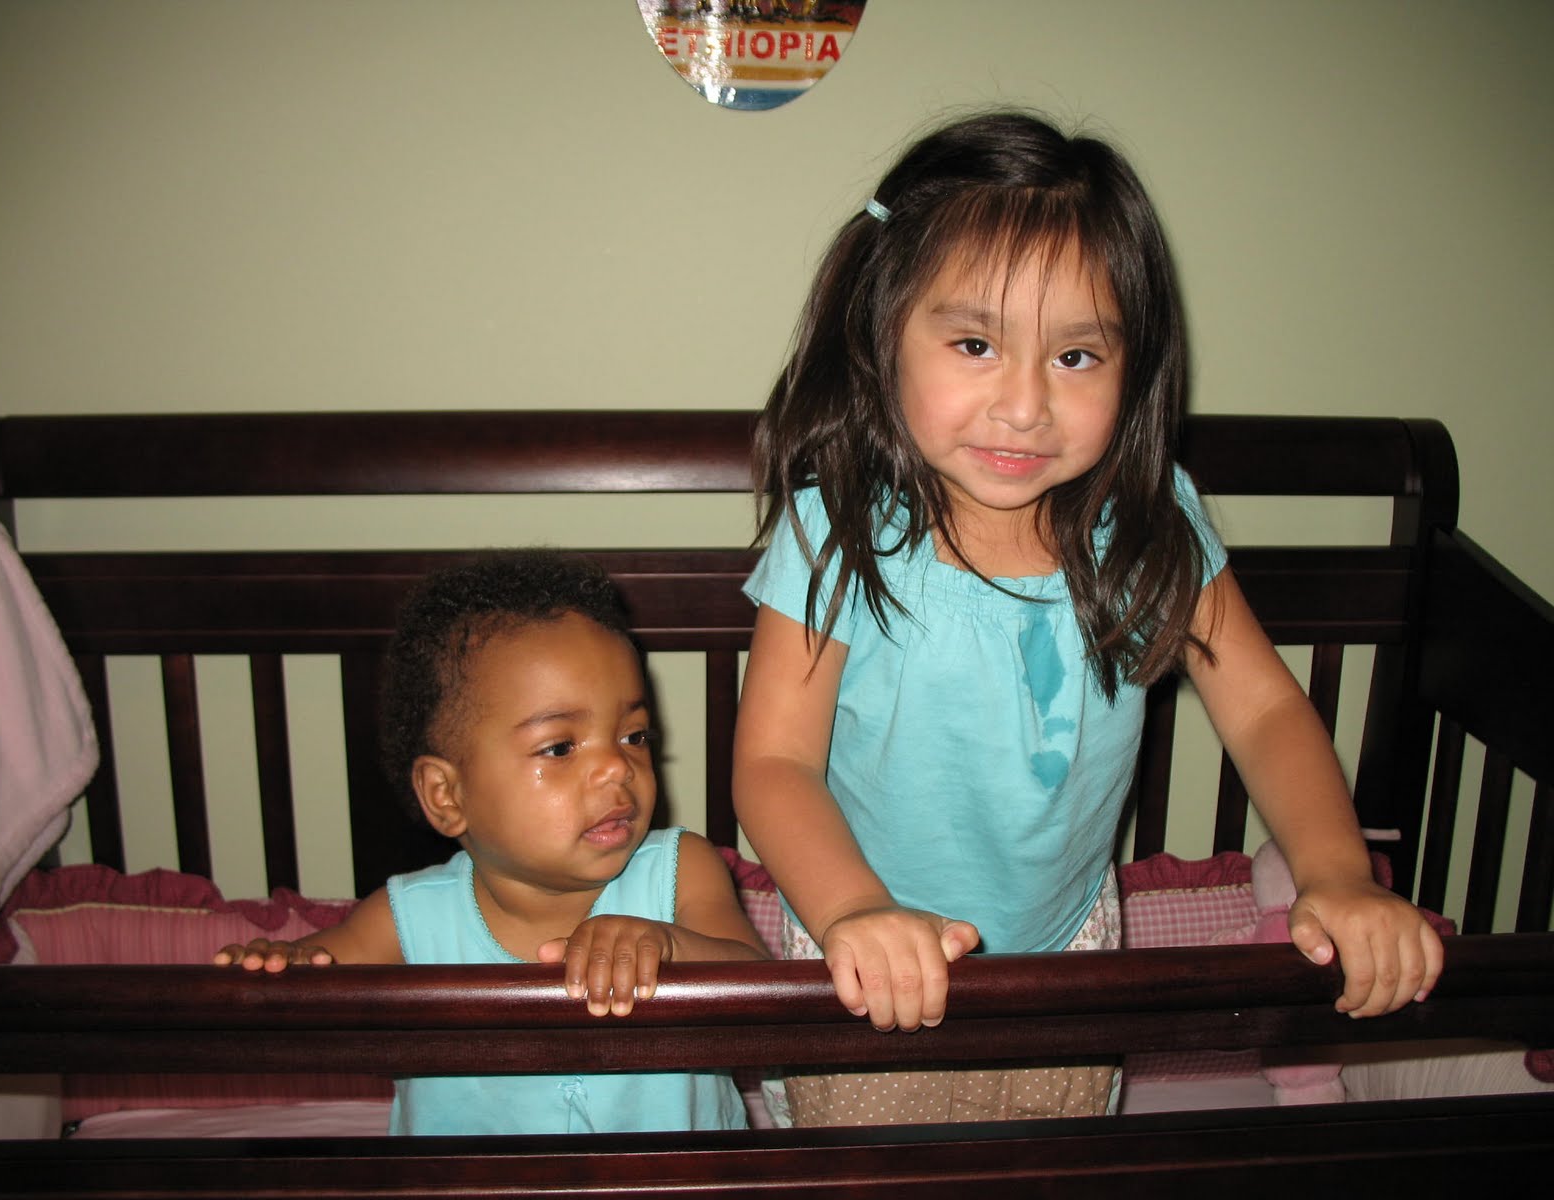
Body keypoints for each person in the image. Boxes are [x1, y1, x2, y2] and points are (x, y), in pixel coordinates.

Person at [732, 109, 1444, 1124]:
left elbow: (1263, 711)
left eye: (1076, 357)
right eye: (975, 343)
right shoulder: (835, 533)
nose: (1025, 406)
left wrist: (1337, 874)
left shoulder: (1148, 527)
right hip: (869, 956)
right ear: (882, 333)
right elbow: (774, 763)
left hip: (1072, 956)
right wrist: (855, 909)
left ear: (1133, 366)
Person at [216, 549, 767, 1135]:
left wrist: (672, 947)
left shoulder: (679, 873)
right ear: (447, 795)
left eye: (634, 736)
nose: (617, 767)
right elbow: (298, 1001)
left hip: (678, 1177)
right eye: (560, 747)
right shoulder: (407, 920)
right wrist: (283, 971)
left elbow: (765, 1001)